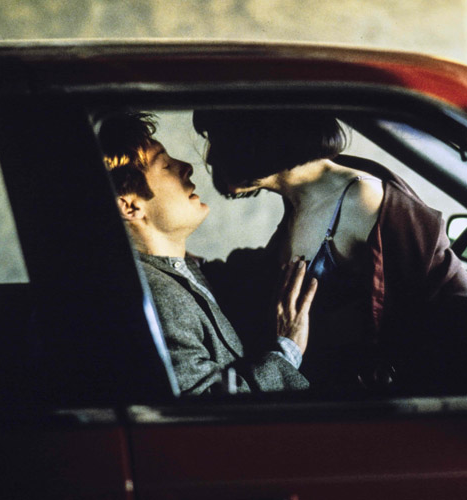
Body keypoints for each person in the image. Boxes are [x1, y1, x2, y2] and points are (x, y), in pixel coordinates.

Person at [193, 110, 467, 389]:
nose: (210, 157)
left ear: (255, 134)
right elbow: (263, 276)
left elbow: (454, 308)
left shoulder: (364, 200)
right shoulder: (299, 196)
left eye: (217, 138)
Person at [97, 111, 317, 396]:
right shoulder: (154, 297)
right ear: (129, 207)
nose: (186, 167)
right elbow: (205, 405)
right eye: (165, 165)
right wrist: (287, 350)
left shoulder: (173, 270)